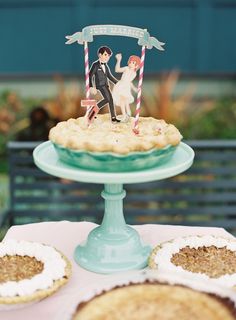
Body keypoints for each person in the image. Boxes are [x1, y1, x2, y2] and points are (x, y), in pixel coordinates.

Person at [88, 46, 120, 123]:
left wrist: (118, 83)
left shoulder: (106, 66)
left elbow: (109, 76)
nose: (107, 57)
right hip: (100, 85)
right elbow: (90, 75)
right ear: (100, 55)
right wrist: (91, 86)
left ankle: (113, 117)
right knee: (108, 99)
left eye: (108, 56)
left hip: (105, 85)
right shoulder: (95, 65)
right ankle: (92, 111)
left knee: (110, 99)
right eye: (105, 55)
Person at [112, 53, 141, 122]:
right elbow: (117, 70)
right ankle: (125, 114)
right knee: (122, 100)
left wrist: (134, 88)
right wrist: (119, 60)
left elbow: (129, 82)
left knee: (125, 101)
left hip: (126, 87)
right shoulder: (126, 68)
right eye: (130, 62)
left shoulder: (134, 73)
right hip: (121, 85)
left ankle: (127, 114)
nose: (131, 63)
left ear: (136, 65)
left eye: (133, 63)